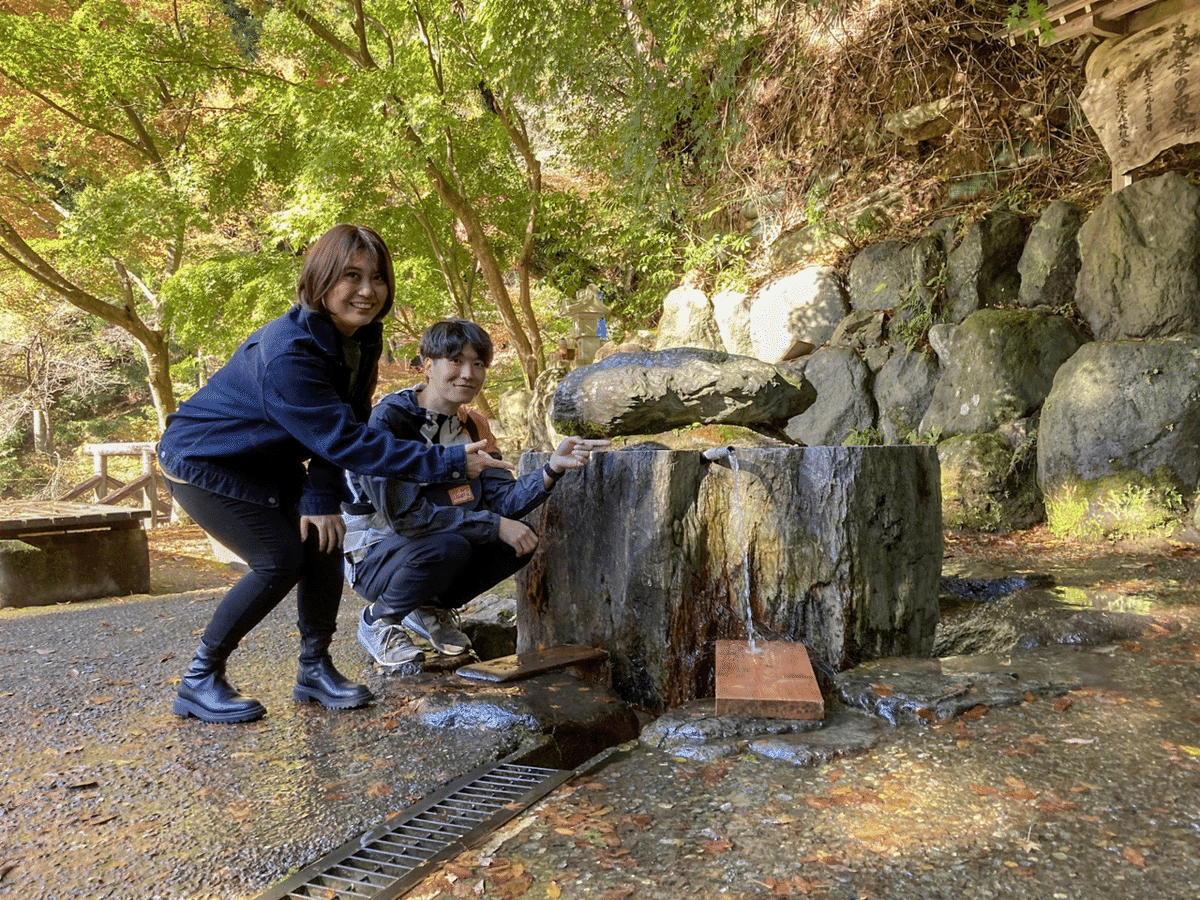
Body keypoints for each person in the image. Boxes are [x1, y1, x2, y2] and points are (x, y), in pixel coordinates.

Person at [158, 225, 514, 724]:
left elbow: (346, 419)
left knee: (324, 539)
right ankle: (199, 679)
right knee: (279, 559)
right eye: (352, 276)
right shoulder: (288, 353)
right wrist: (451, 462)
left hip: (273, 458)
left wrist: (322, 498)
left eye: (377, 277)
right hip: (203, 460)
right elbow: (347, 442)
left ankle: (314, 669)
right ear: (320, 279)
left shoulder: (362, 335)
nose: (368, 291)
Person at [343, 319, 609, 667]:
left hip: (428, 544)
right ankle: (379, 620)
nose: (468, 373)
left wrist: (551, 469)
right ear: (426, 364)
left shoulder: (474, 425)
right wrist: (493, 525)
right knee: (453, 543)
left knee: (517, 543)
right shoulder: (390, 421)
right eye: (455, 360)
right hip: (377, 555)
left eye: (478, 364)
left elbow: (503, 500)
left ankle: (430, 609)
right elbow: (404, 516)